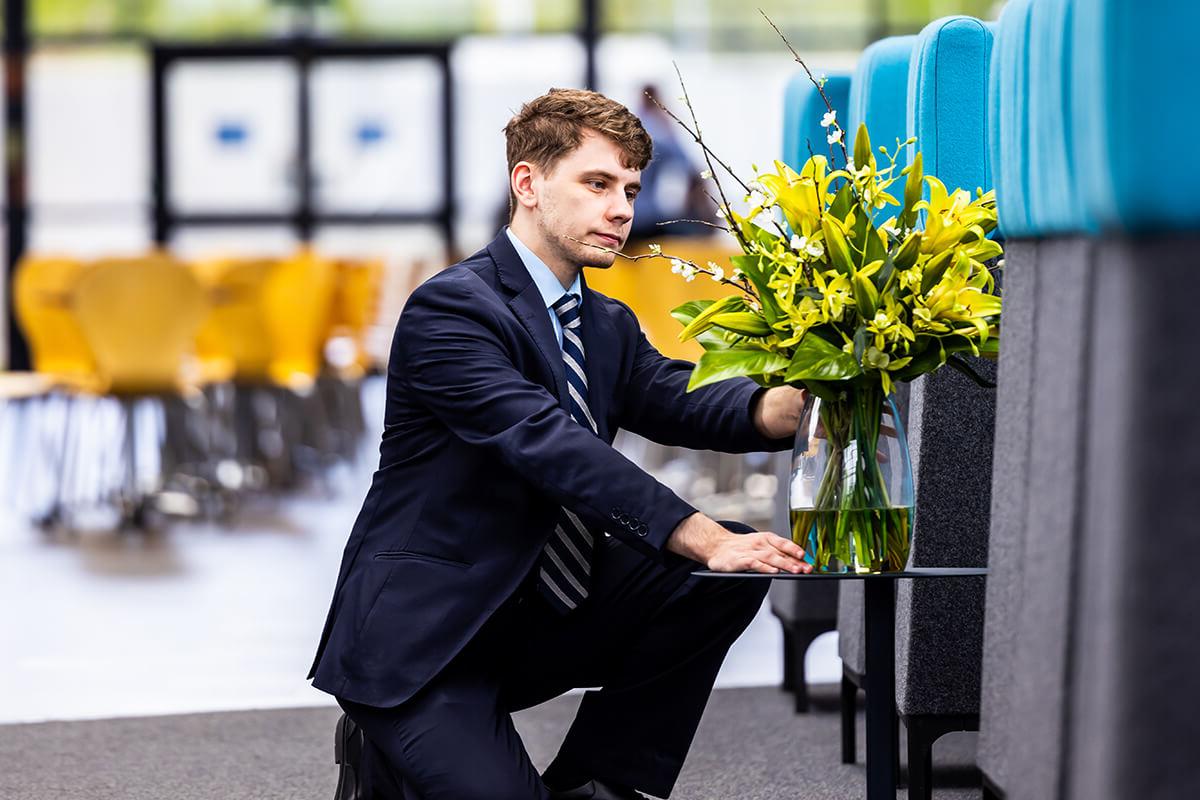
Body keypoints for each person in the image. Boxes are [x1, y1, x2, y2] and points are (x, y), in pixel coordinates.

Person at [309, 87, 811, 800]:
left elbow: (679, 396)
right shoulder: (451, 309)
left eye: (631, 189)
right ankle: (383, 741)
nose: (622, 209)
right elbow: (549, 445)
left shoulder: (603, 323)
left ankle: (605, 784)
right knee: (710, 547)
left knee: (729, 570)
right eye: (598, 184)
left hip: (537, 617)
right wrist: (695, 532)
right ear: (529, 184)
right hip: (426, 646)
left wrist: (778, 410)